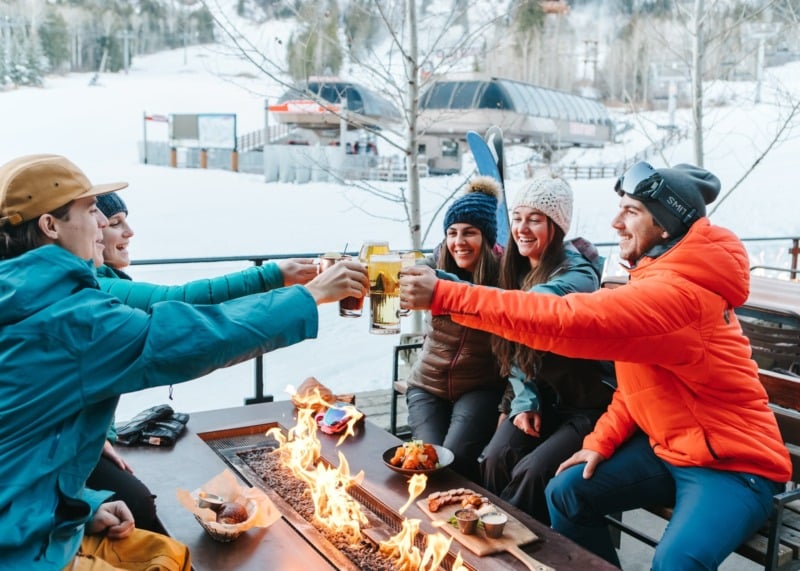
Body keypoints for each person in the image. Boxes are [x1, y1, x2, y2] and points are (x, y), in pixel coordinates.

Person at [399, 161, 792, 570]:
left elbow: (565, 319)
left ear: (665, 226)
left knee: (676, 562)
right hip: (668, 448)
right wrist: (599, 443)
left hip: (733, 465)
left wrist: (447, 294)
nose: (615, 223)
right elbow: (635, 386)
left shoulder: (678, 295)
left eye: (631, 211)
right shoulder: (654, 276)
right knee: (566, 491)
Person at [0, 154, 368, 570]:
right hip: (21, 552)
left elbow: (25, 446)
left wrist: (82, 507)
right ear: (50, 226)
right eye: (90, 210)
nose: (102, 223)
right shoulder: (68, 317)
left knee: (167, 553)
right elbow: (196, 337)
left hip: (32, 526)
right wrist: (311, 295)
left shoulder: (21, 295)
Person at [85, 191, 319, 532]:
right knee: (139, 504)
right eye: (106, 220)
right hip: (73, 462)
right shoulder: (95, 292)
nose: (126, 230)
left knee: (139, 501)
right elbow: (181, 311)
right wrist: (293, 289)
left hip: (88, 445)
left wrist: (93, 433)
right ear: (52, 228)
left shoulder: (96, 285)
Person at [479, 175, 614, 524]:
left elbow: (536, 308)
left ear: (557, 225)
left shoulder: (580, 275)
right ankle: (493, 541)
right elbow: (516, 346)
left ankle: (519, 548)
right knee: (495, 457)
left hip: (589, 407)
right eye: (517, 218)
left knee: (532, 471)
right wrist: (525, 401)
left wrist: (487, 301)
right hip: (545, 400)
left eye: (535, 219)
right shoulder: (519, 269)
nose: (522, 228)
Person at [405, 176, 505, 482]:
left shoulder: (504, 277)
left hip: (480, 386)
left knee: (455, 461)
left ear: (487, 238)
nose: (458, 242)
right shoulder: (435, 265)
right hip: (427, 384)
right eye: (452, 232)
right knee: (426, 460)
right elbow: (414, 267)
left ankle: (466, 517)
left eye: (469, 233)